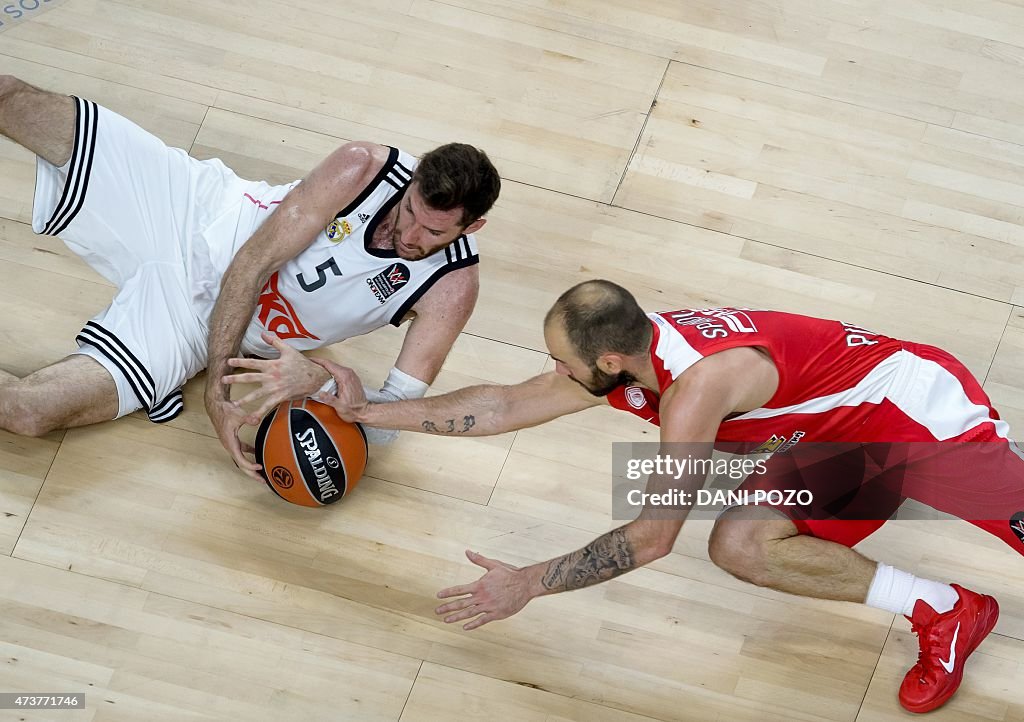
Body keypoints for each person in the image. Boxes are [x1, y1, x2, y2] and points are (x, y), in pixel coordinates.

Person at [311, 279, 1021, 714]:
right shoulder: (628, 355)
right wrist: (370, 412)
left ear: (610, 359)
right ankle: (947, 611)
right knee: (742, 545)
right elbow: (503, 404)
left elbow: (652, 538)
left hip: (919, 418)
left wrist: (528, 583)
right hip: (837, 440)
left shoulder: (695, 391)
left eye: (563, 361)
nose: (555, 370)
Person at [0, 75, 501, 479]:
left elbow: (394, 418)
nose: (408, 232)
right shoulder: (364, 168)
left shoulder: (451, 287)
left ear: (470, 226)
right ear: (412, 180)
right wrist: (217, 399)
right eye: (410, 209)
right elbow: (251, 264)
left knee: (29, 413)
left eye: (431, 229)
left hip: (193, 326)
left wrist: (327, 381)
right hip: (193, 208)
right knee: (10, 99)